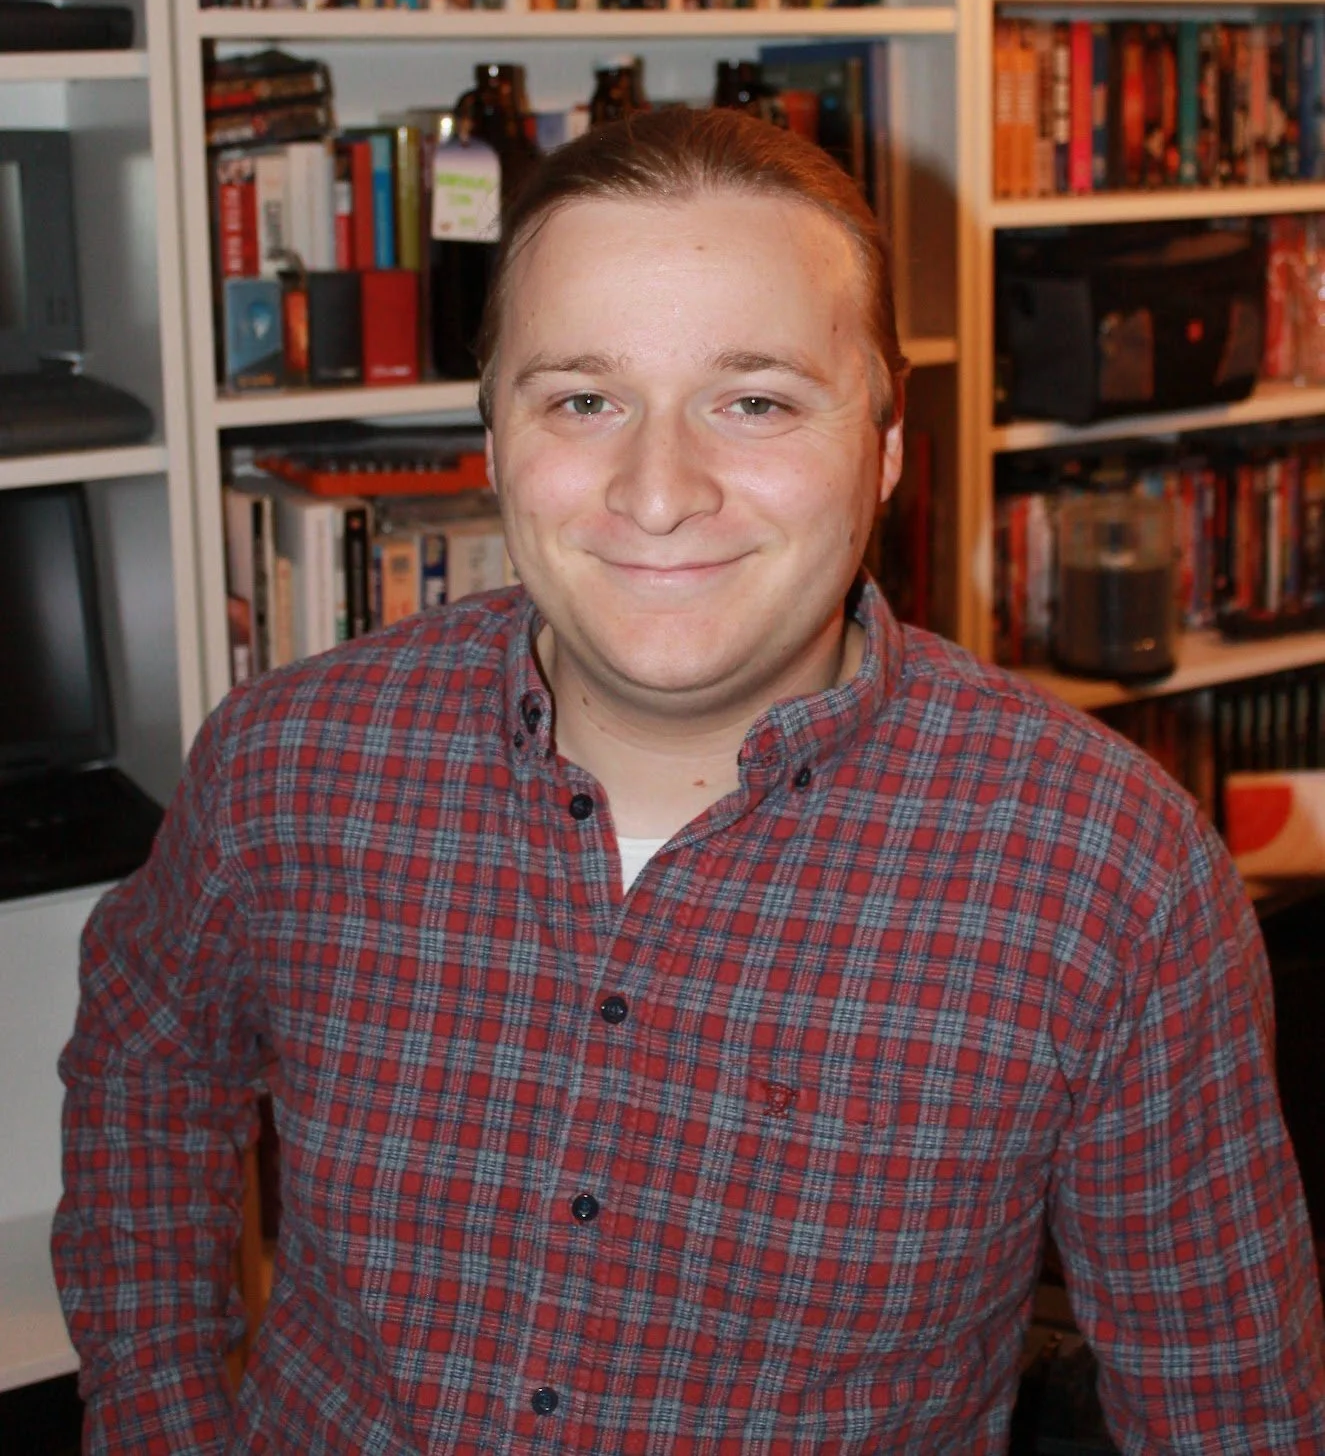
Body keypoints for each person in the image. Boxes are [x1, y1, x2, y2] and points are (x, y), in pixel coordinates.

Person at [54, 107, 1325, 1452]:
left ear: (885, 448)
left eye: (756, 400)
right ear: (494, 441)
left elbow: (1224, 1405)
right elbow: (145, 1071)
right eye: (585, 400)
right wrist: (160, 1417)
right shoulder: (288, 764)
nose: (658, 492)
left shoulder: (1110, 875)